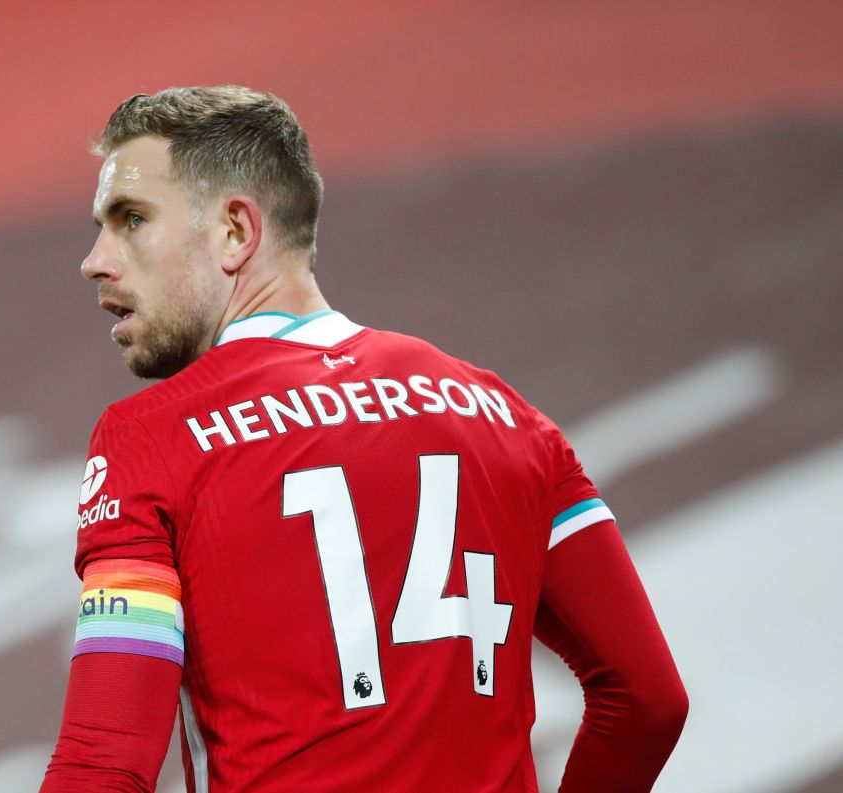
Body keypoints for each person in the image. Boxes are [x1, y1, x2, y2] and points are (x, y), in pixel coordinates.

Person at [41, 86, 688, 793]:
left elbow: (104, 764)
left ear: (234, 231)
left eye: (130, 218)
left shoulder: (152, 438)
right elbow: (649, 700)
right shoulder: (506, 417)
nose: (96, 259)